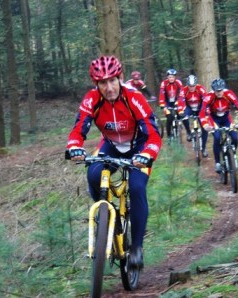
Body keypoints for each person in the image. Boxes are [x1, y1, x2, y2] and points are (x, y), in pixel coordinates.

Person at [65, 55, 162, 269]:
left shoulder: (133, 97)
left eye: (112, 81)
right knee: (92, 173)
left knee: (136, 188)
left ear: (120, 78)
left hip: (139, 147)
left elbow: (154, 135)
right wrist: (74, 146)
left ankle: (136, 247)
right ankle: (104, 214)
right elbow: (79, 127)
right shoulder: (92, 99)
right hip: (110, 145)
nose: (108, 87)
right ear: (96, 84)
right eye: (102, 83)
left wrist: (147, 154)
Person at [200, 78, 238, 173]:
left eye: (220, 90)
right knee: (217, 137)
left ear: (223, 88)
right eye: (217, 91)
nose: (219, 93)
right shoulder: (209, 97)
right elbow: (202, 111)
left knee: (234, 137)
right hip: (214, 118)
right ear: (213, 90)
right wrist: (205, 124)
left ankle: (232, 154)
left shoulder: (229, 94)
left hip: (226, 117)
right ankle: (218, 163)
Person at [177, 75, 209, 157]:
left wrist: (206, 110)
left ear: (196, 84)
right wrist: (180, 110)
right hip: (189, 108)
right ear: (187, 85)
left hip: (200, 108)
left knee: (204, 128)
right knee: (183, 116)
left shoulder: (200, 88)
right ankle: (188, 132)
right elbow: (180, 101)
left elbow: (206, 99)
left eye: (193, 86)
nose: (191, 88)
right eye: (190, 86)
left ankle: (204, 148)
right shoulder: (184, 90)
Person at [158, 69, 184, 140]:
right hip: (167, 103)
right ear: (167, 77)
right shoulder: (164, 83)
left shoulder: (178, 82)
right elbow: (161, 93)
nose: (171, 79)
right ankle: (169, 136)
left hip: (176, 101)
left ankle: (179, 124)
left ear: (175, 77)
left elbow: (182, 92)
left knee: (180, 114)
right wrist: (162, 104)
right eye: (169, 77)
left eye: (172, 77)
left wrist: (179, 101)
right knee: (169, 118)